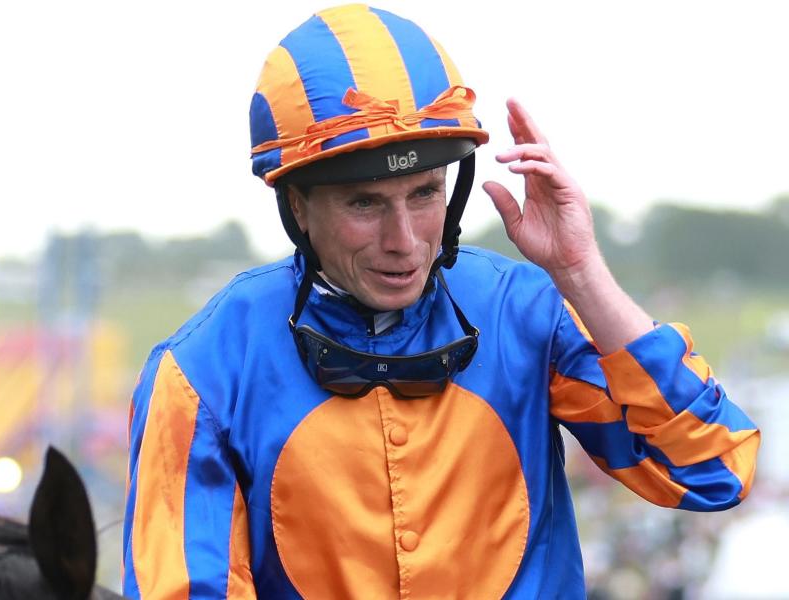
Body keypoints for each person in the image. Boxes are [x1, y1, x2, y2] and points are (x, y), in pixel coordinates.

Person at [122, 4, 760, 598]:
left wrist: (581, 272)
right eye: (364, 203)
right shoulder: (199, 372)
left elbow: (711, 469)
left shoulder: (527, 310)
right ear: (297, 206)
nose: (404, 243)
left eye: (424, 194)